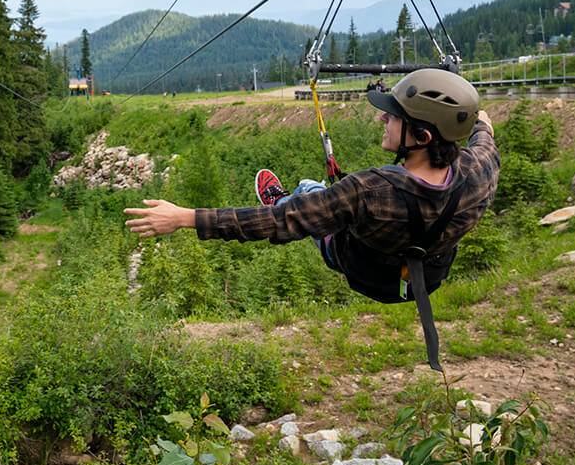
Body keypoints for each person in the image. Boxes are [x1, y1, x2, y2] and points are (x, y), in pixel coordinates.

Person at [124, 68, 497, 370]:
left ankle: (289, 195)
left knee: (306, 192)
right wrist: (475, 119)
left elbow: (274, 223)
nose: (383, 116)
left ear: (421, 134)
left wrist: (184, 217)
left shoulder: (367, 191)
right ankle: (303, 196)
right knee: (319, 196)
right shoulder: (479, 173)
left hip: (363, 269)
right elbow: (485, 136)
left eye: (393, 115)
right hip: (423, 281)